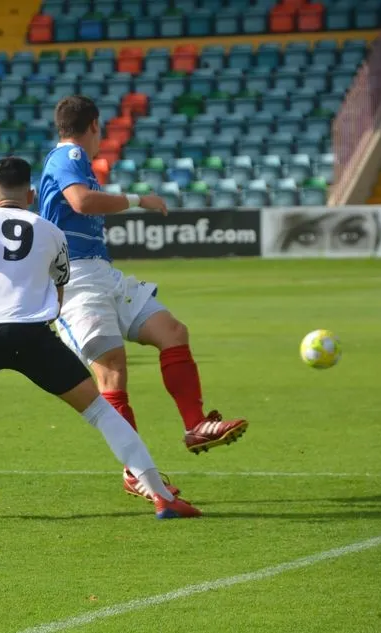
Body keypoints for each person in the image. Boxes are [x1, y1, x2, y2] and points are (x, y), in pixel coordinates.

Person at [0, 157, 200, 519]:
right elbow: (60, 287)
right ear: (33, 195)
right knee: (101, 411)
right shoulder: (52, 232)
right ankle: (160, 494)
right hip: (31, 335)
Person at [37, 96, 248, 498]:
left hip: (103, 273)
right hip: (75, 279)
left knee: (171, 330)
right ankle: (135, 470)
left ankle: (195, 425)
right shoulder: (69, 154)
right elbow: (80, 200)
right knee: (112, 368)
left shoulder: (73, 161)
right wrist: (138, 200)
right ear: (95, 125)